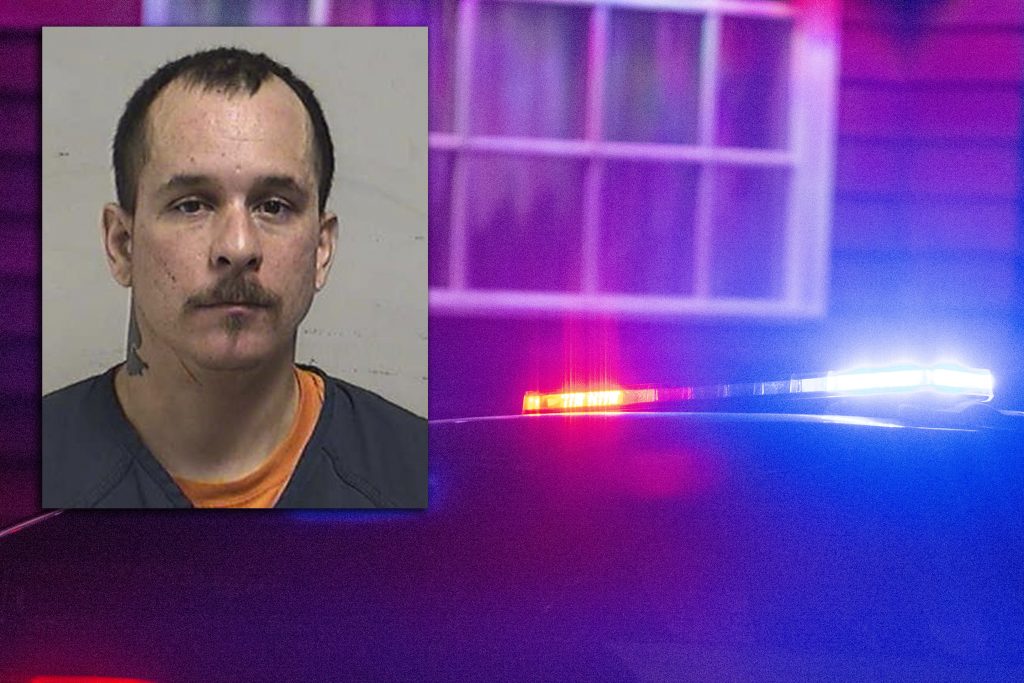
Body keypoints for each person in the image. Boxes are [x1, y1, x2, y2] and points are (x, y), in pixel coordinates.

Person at [42, 47, 427, 509]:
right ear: (122, 244)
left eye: (274, 206)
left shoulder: (417, 472)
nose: (239, 246)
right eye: (192, 205)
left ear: (321, 250)